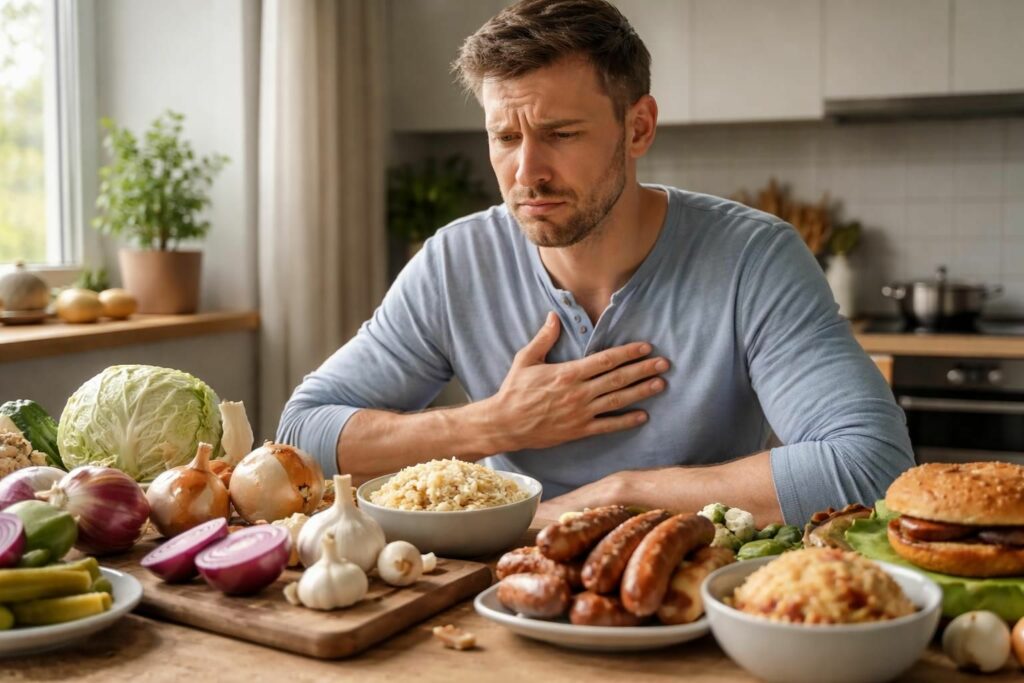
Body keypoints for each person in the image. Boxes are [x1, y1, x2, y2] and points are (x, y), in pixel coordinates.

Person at [278, 0, 913, 525]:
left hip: (696, 587)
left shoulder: (754, 257)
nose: (526, 172)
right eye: (505, 137)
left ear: (638, 128)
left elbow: (871, 465)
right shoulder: (455, 262)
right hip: (505, 587)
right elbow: (301, 436)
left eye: (561, 133)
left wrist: (619, 495)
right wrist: (494, 423)